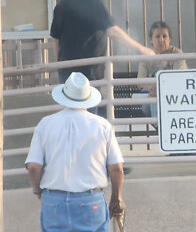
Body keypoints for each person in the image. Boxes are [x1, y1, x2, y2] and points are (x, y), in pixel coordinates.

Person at [50, 0, 155, 117]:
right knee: (90, 116)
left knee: (71, 116)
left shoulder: (62, 4)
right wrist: (141, 49)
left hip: (67, 74)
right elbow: (113, 32)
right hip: (90, 74)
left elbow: (56, 40)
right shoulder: (94, 2)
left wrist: (60, 69)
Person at [25, 72, 126, 232]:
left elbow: (33, 167)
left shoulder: (45, 124)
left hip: (54, 200)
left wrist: (38, 191)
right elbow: (116, 169)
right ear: (88, 98)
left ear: (64, 96)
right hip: (91, 199)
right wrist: (116, 198)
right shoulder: (102, 126)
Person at [137, 21, 188, 98]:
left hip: (173, 95)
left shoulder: (177, 54)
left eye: (164, 36)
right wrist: (155, 90)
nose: (161, 40)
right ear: (151, 39)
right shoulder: (146, 56)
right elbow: (140, 83)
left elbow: (181, 78)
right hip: (151, 95)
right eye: (157, 36)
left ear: (169, 39)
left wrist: (161, 90)